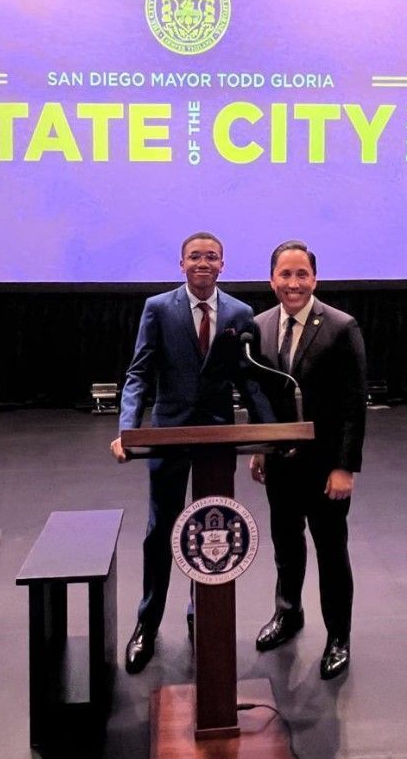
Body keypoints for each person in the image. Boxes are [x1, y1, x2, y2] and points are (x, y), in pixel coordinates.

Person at [111, 231, 274, 674]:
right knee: (160, 530)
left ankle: (199, 614)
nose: (203, 263)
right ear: (181, 264)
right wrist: (128, 429)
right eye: (195, 257)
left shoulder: (241, 313)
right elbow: (139, 373)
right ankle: (147, 622)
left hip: (218, 440)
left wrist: (269, 435)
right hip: (168, 435)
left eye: (212, 257)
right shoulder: (158, 308)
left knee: (208, 531)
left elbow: (250, 379)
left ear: (223, 264)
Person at [250, 240, 367, 679]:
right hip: (281, 464)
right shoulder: (259, 327)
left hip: (325, 468)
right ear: (272, 280)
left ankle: (339, 636)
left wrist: (344, 467)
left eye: (302, 275)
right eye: (286, 275)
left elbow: (355, 405)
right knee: (286, 544)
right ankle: (288, 613)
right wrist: (262, 446)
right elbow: (260, 398)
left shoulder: (341, 326)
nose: (294, 283)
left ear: (314, 279)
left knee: (331, 551)